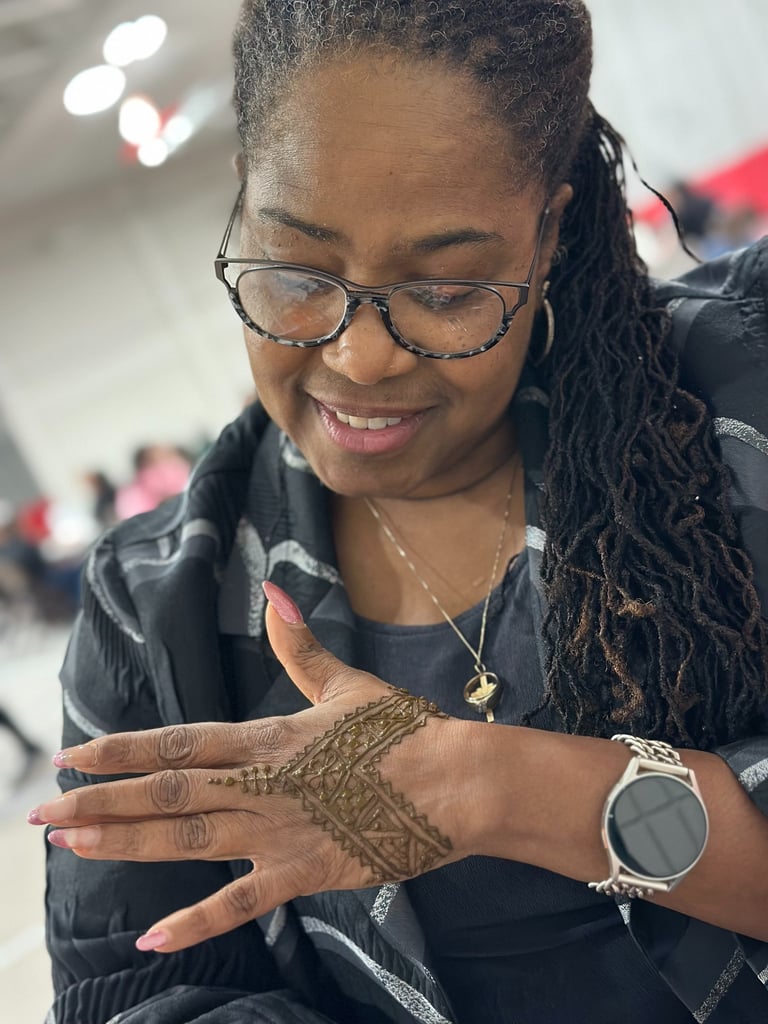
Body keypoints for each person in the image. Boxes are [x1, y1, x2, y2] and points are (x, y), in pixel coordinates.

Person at [31, 3, 768, 1022]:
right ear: (242, 208)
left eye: (451, 286)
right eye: (295, 274)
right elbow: (147, 992)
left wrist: (501, 789)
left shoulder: (739, 401)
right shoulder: (158, 602)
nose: (360, 356)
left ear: (548, 232)